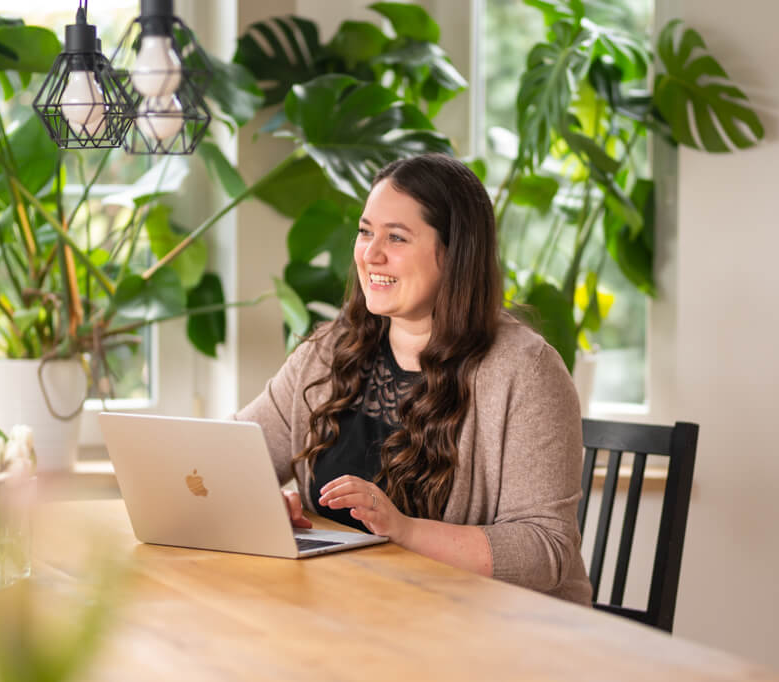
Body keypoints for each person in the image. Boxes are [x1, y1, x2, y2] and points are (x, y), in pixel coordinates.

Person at [235, 153, 591, 604]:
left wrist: (402, 529)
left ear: (456, 252)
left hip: (489, 634)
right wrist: (263, 499)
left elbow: (546, 549)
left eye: (396, 237)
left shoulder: (525, 370)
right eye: (366, 232)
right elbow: (238, 451)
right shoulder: (330, 350)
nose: (371, 253)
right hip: (356, 612)